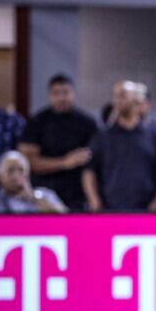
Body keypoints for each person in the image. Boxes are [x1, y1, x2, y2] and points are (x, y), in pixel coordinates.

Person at [83, 81, 156, 212]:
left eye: (122, 95)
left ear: (137, 99)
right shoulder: (103, 136)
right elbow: (89, 171)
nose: (117, 100)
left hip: (147, 210)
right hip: (110, 209)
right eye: (115, 96)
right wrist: (94, 201)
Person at [18, 74, 98, 211]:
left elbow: (93, 162)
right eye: (56, 93)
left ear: (73, 93)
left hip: (78, 196)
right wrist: (64, 162)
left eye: (66, 92)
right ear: (49, 95)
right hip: (44, 195)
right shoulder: (37, 122)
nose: (61, 97)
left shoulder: (87, 123)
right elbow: (27, 162)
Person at [0, 151, 67, 214]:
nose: (16, 175)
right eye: (10, 170)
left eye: (21, 170)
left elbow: (68, 220)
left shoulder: (45, 194)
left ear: (28, 174)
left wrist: (34, 197)